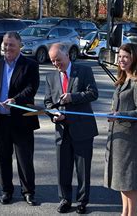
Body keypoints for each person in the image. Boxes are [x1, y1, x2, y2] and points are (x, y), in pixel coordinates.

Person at [0, 32, 40, 206]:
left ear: (20, 46)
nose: (7, 47)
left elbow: (31, 89)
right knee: (3, 158)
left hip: (22, 120)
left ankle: (28, 191)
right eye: (5, 44)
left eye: (11, 44)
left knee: (24, 159)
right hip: (0, 120)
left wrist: (15, 100)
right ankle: (6, 190)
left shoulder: (30, 65)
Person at [45, 43, 98, 214]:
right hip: (62, 130)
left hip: (82, 129)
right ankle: (65, 199)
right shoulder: (51, 77)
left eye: (58, 60)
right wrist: (54, 115)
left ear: (67, 55)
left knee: (82, 169)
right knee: (63, 169)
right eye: (53, 61)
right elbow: (48, 102)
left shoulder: (84, 71)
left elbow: (93, 93)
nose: (56, 64)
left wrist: (72, 97)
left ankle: (82, 201)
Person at [105, 43, 137, 216]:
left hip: (130, 138)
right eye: (120, 56)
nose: (121, 60)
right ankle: (125, 212)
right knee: (122, 179)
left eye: (125, 57)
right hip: (118, 136)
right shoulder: (123, 79)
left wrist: (120, 114)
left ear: (134, 58)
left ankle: (132, 214)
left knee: (130, 179)